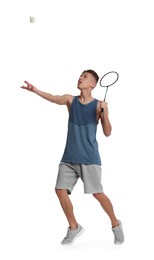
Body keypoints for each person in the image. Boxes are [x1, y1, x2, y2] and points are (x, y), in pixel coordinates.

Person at [21, 69, 124, 245]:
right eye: (80, 75)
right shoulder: (71, 100)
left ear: (93, 84)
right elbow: (54, 98)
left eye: (85, 77)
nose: (80, 78)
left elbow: (108, 133)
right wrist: (35, 90)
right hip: (69, 158)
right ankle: (74, 227)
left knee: (98, 194)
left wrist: (105, 113)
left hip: (90, 158)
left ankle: (116, 224)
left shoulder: (99, 105)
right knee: (60, 190)